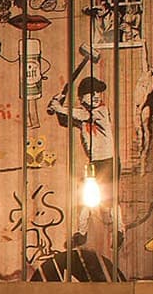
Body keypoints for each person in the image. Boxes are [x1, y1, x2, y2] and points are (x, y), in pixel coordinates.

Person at [48, 77, 123, 249]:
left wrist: (58, 107)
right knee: (87, 198)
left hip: (108, 162)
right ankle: (81, 233)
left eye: (98, 92)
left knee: (110, 199)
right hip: (93, 163)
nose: (96, 96)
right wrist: (57, 104)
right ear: (81, 98)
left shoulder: (101, 111)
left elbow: (83, 115)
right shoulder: (82, 115)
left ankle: (119, 230)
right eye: (91, 93)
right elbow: (65, 120)